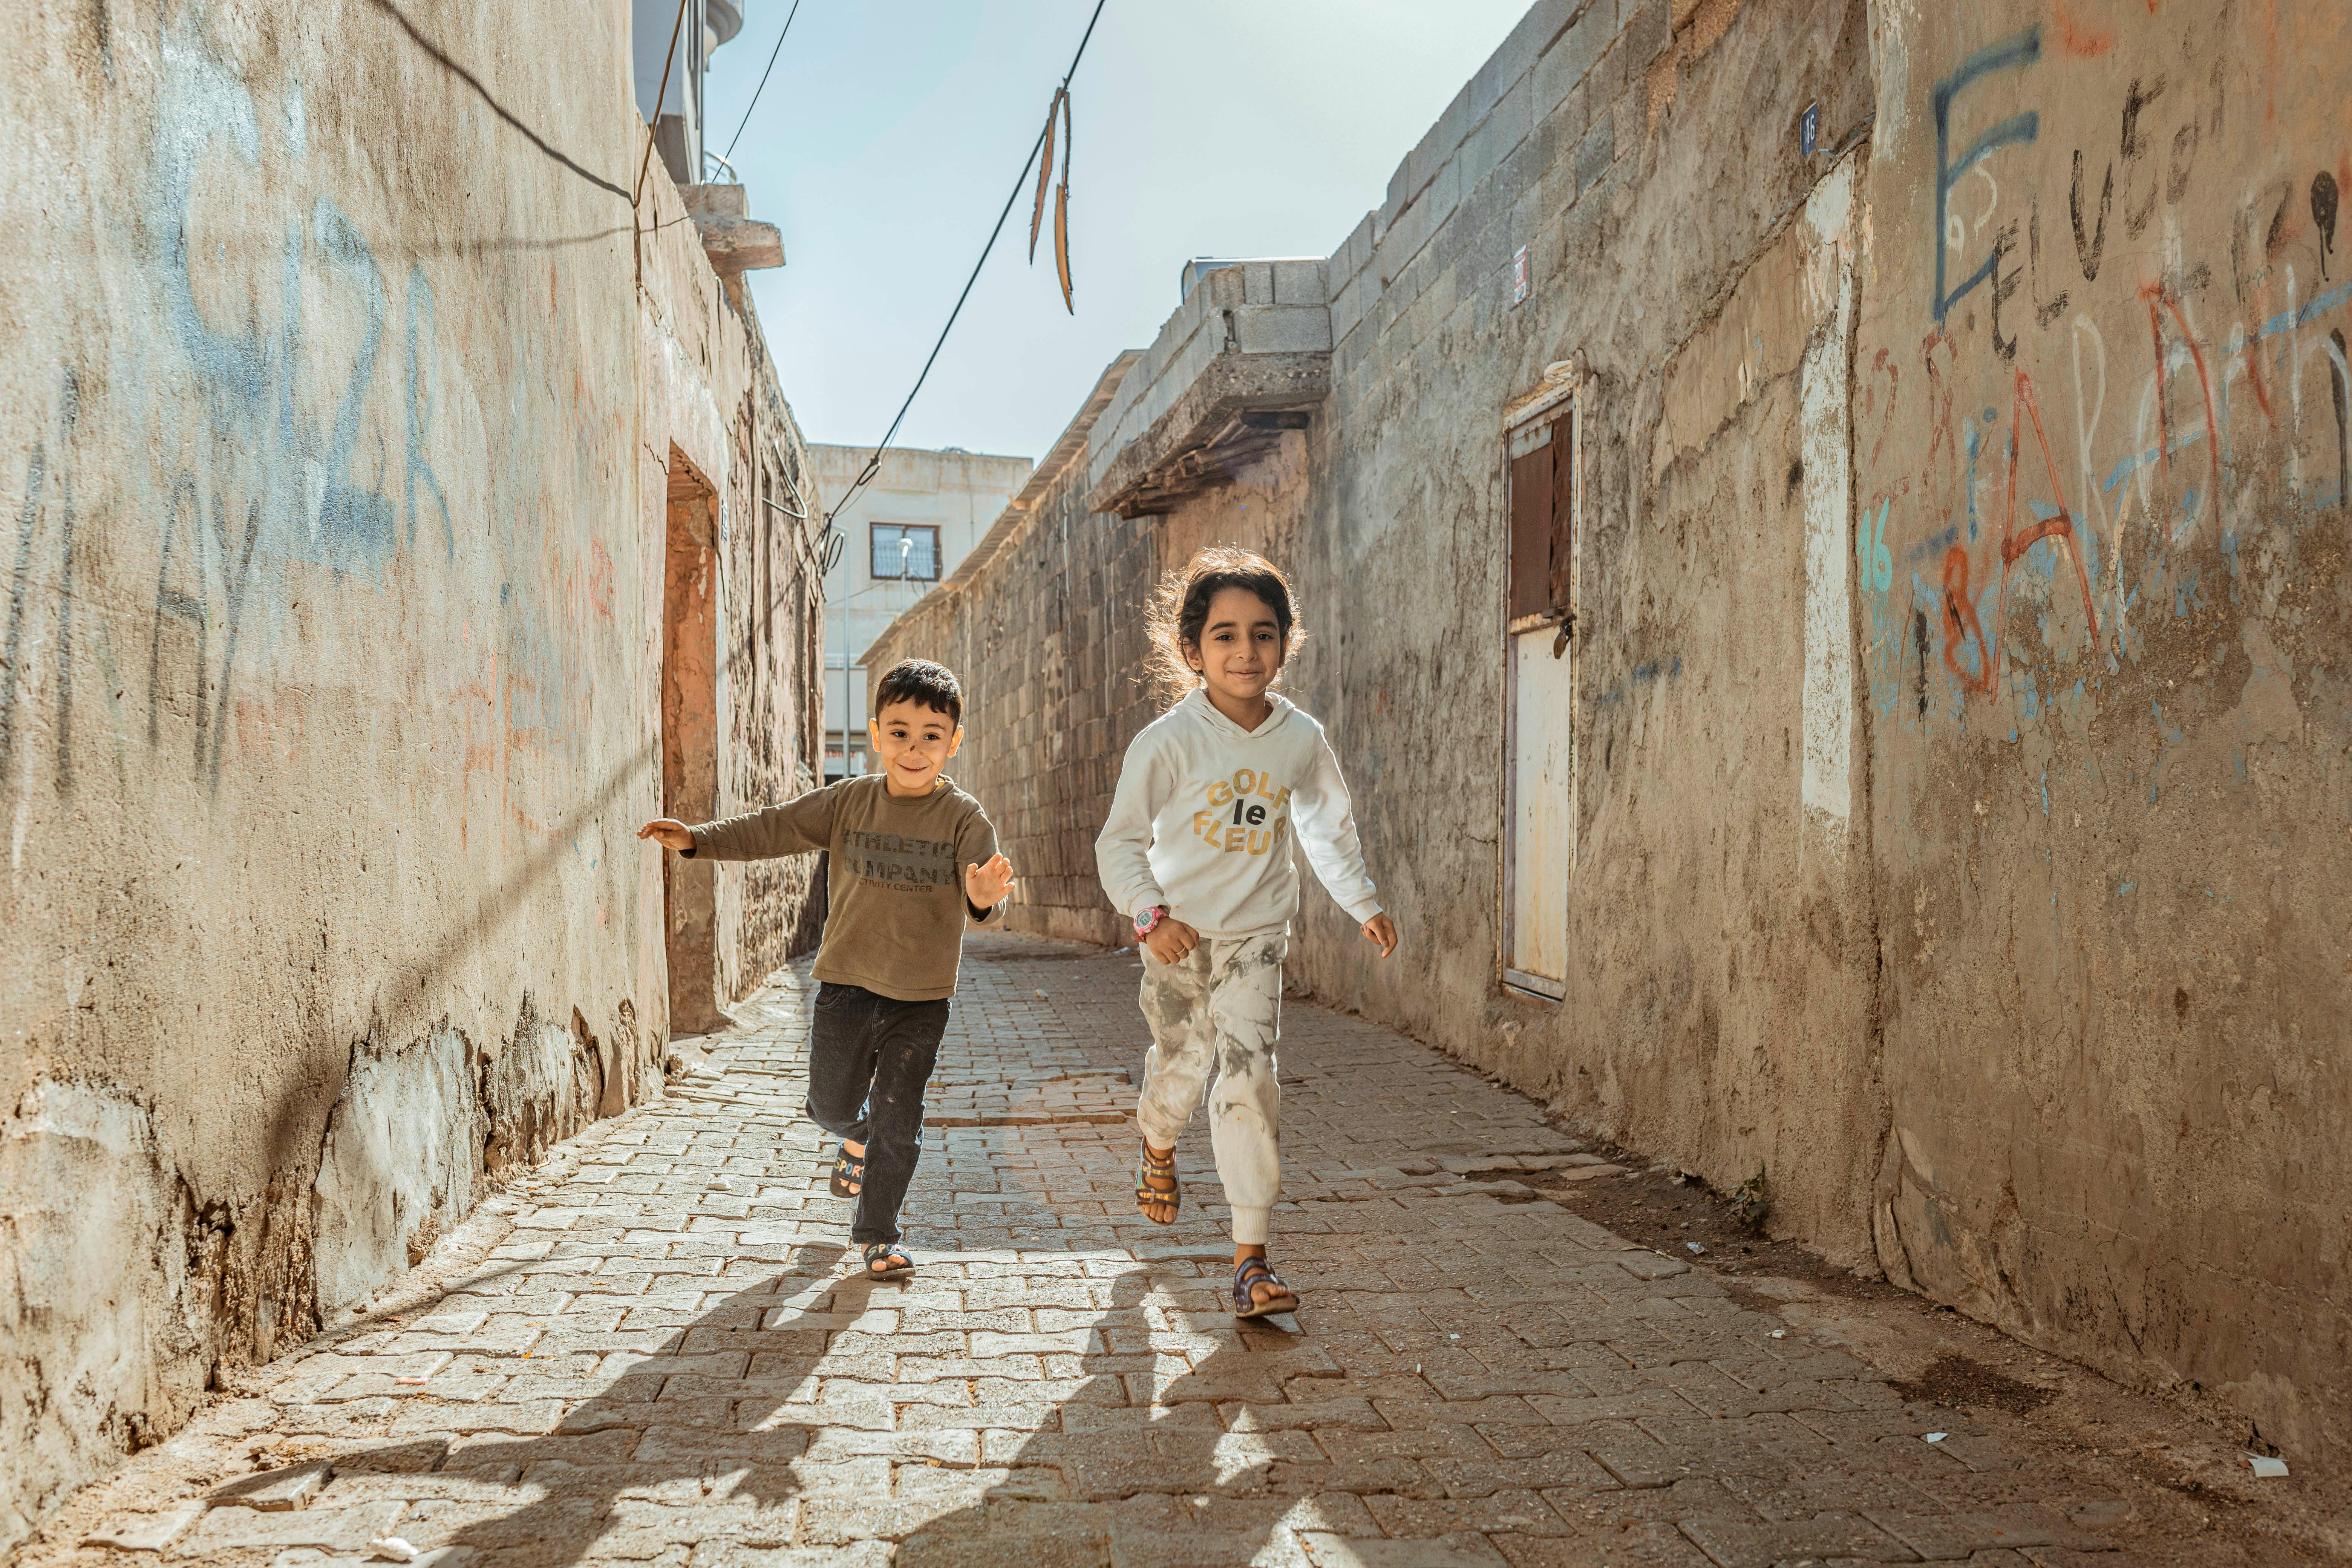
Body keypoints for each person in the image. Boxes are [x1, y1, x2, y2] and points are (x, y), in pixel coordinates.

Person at [1095, 547, 1398, 1318]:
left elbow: (1329, 829)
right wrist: (1149, 916)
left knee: (1247, 1078)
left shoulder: (1300, 739)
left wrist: (1361, 901)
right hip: (1178, 940)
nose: (1246, 651)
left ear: (1285, 642)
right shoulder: (1168, 741)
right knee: (1183, 1065)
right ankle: (1157, 1140)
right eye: (1225, 635)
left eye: (1263, 633)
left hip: (1259, 938)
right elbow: (1120, 842)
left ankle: (1250, 1262)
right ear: (1192, 651)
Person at [639, 659, 1014, 1281]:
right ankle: (855, 1135)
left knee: (902, 1118)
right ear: (875, 734)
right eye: (899, 732)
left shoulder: (964, 819)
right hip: (845, 985)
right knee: (829, 1105)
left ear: (954, 741)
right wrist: (697, 840)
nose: (914, 748)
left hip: (920, 1000)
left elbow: (988, 906)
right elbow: (776, 827)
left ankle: (878, 1236)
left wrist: (980, 895)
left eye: (930, 735)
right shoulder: (849, 801)